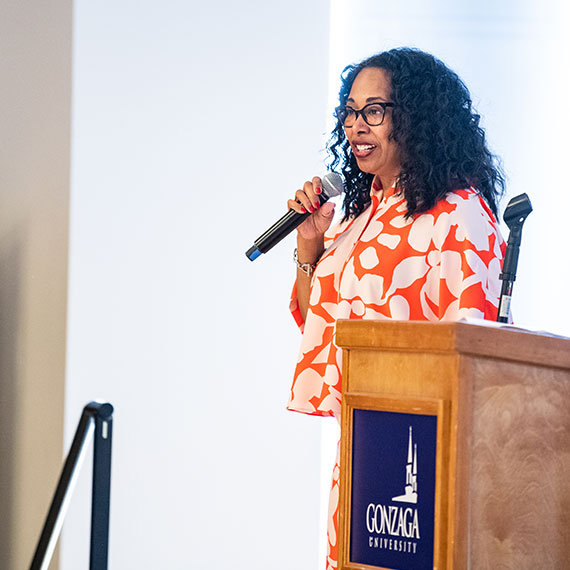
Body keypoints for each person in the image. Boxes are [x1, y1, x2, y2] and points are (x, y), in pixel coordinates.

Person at [286, 47, 506, 570]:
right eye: (350, 110)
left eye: (374, 111)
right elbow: (316, 318)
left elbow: (472, 348)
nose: (356, 125)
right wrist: (309, 250)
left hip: (424, 451)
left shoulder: (457, 213)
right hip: (362, 446)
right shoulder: (360, 213)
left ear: (415, 117)